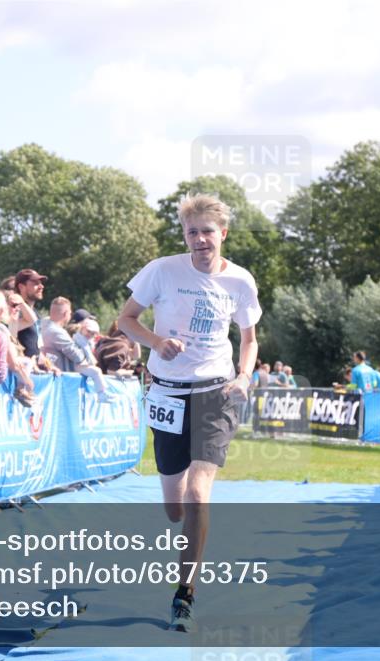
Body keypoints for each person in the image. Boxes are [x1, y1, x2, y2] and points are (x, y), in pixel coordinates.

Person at [117, 194, 261, 633]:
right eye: (191, 232)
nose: (199, 240)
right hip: (167, 393)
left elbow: (250, 338)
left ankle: (185, 594)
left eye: (207, 232)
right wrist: (155, 343)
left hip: (215, 392)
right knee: (175, 508)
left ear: (223, 234)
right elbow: (126, 319)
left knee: (199, 494)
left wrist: (244, 375)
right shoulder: (162, 270)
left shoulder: (240, 280)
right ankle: (181, 534)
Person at [13, 268, 46, 359]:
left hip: (34, 369)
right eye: (35, 283)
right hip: (20, 369)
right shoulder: (15, 311)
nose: (41, 286)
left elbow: (36, 346)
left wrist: (48, 364)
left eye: (41, 283)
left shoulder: (36, 313)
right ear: (21, 287)